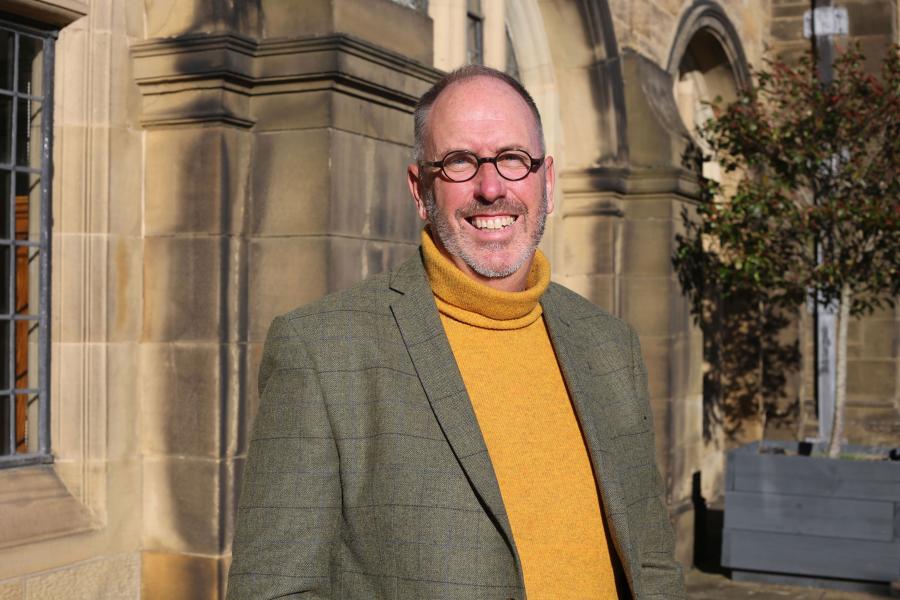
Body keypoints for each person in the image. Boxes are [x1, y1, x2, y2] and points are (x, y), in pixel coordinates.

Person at [227, 65, 685, 600]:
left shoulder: (610, 346)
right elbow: (274, 590)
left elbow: (652, 564)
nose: (491, 188)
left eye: (513, 159)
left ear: (548, 181)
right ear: (421, 189)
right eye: (460, 162)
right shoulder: (324, 352)